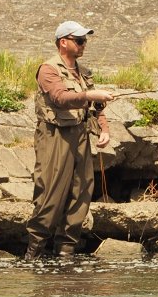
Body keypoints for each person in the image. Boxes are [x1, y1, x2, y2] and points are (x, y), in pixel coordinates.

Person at [25, 21, 115, 259]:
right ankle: (34, 251)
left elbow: (97, 106)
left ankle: (65, 251)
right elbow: (60, 98)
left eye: (84, 40)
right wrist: (89, 95)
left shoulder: (84, 72)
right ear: (63, 42)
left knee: (82, 191)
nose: (84, 44)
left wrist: (103, 129)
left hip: (81, 135)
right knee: (51, 193)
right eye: (79, 40)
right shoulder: (48, 69)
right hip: (54, 136)